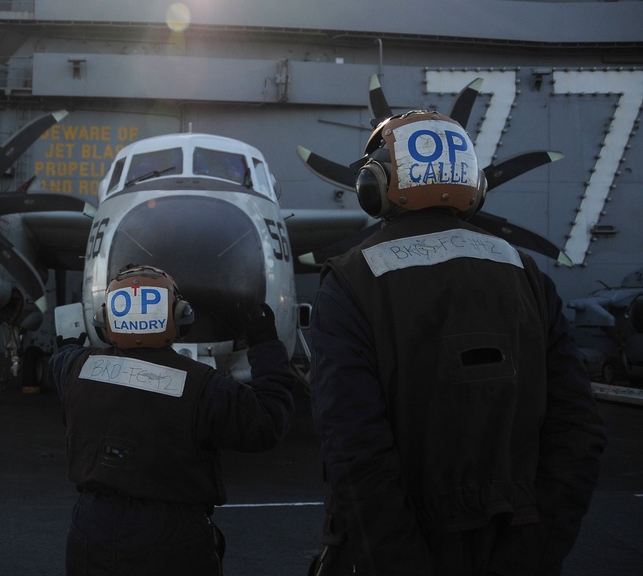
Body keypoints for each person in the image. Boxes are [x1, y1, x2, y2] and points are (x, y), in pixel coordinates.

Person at [307, 110, 607, 575]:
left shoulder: (351, 281)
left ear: (375, 186)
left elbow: (354, 451)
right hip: (517, 544)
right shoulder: (528, 276)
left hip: (398, 553)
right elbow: (579, 432)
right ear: (475, 185)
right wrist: (535, 551)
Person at [49, 263, 294, 575]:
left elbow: (60, 361)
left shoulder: (75, 369)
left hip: (90, 532)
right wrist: (264, 342)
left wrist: (69, 347)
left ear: (106, 319)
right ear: (179, 316)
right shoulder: (204, 387)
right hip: (172, 541)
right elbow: (269, 421)